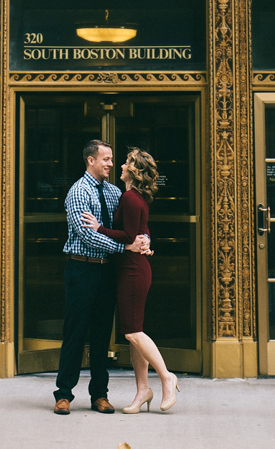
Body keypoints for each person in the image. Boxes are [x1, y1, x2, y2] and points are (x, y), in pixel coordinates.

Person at [52, 139, 150, 416]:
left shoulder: (114, 191)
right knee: (75, 332)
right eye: (105, 159)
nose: (110, 163)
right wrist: (125, 246)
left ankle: (100, 395)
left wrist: (143, 240)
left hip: (108, 271)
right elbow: (87, 235)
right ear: (90, 160)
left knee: (100, 335)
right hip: (82, 269)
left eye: (111, 159)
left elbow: (130, 226)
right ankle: (63, 395)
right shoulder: (78, 192)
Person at [81, 146, 179, 413]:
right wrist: (144, 239)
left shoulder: (130, 198)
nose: (120, 166)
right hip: (130, 268)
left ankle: (166, 377)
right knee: (134, 332)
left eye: (125, 162)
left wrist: (98, 227)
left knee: (133, 332)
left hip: (133, 270)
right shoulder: (133, 197)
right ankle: (142, 391)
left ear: (134, 171)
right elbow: (139, 231)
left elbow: (127, 235)